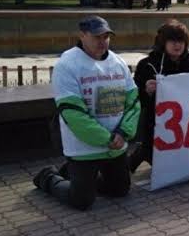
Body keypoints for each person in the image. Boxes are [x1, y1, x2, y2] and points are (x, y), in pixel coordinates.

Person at [32, 16, 139, 210]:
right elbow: (73, 113)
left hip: (116, 143)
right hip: (85, 148)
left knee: (120, 190)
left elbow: (133, 102)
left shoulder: (118, 62)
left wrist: (124, 132)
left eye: (106, 36)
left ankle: (74, 175)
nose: (102, 41)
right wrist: (106, 138)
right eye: (97, 36)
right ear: (82, 35)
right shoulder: (67, 65)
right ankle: (48, 177)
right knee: (81, 200)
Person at [129, 20, 189, 172]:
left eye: (181, 41)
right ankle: (137, 157)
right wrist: (146, 90)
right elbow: (134, 98)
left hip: (183, 121)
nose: (177, 45)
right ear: (163, 42)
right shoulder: (147, 64)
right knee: (154, 157)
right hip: (155, 122)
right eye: (173, 41)